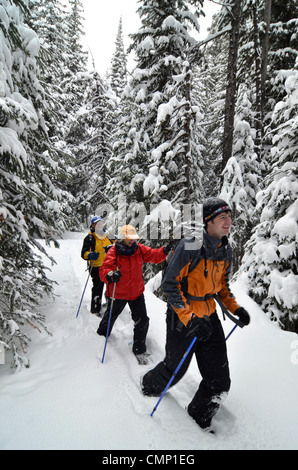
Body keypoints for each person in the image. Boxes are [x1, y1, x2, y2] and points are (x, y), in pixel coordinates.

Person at [141, 198, 250, 432]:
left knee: (220, 381)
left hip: (209, 318)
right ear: (208, 221)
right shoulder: (190, 244)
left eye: (230, 216)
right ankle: (148, 385)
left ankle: (199, 416)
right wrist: (189, 319)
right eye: (222, 217)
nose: (228, 221)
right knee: (175, 369)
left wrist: (236, 309)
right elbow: (170, 285)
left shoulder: (225, 249)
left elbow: (222, 287)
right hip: (183, 318)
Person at [97, 224, 172, 361]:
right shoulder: (114, 251)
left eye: (133, 238)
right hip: (118, 292)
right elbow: (104, 270)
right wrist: (110, 274)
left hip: (136, 293)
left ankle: (139, 348)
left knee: (142, 320)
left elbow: (154, 255)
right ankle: (101, 337)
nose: (132, 240)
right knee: (110, 317)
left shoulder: (139, 249)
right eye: (129, 238)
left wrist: (165, 250)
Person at [81, 216, 115, 315]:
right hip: (96, 267)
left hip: (110, 266)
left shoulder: (109, 235)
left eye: (100, 223)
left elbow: (118, 245)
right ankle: (95, 309)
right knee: (97, 288)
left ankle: (109, 306)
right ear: (92, 225)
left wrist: (112, 249)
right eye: (96, 223)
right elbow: (83, 253)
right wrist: (90, 255)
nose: (99, 225)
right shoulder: (89, 238)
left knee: (111, 286)